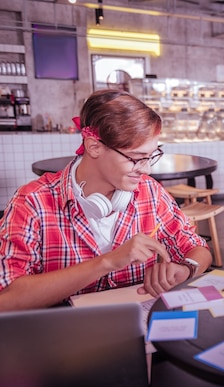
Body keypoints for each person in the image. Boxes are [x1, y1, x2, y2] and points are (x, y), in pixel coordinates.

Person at [0, 89, 212, 311]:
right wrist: (108, 262)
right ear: (94, 146)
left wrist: (187, 268)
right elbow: (7, 298)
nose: (147, 170)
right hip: (61, 335)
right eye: (137, 158)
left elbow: (197, 247)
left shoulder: (150, 193)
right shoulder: (32, 202)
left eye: (151, 156)